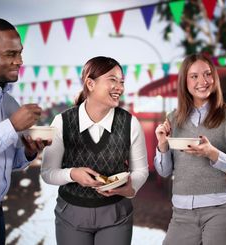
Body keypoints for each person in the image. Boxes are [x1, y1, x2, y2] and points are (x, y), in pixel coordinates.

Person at [41, 56, 149, 245]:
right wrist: (73, 174)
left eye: (121, 82)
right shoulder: (62, 122)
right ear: (90, 84)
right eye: (112, 80)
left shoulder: (130, 123)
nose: (120, 88)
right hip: (71, 216)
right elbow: (47, 173)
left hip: (116, 214)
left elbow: (141, 170)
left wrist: (130, 188)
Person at [154, 53, 226, 245]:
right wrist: (162, 145)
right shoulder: (173, 119)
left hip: (221, 210)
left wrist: (213, 154)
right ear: (185, 82)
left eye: (207, 74)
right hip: (181, 213)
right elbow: (164, 172)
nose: (203, 81)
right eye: (194, 76)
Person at [0, 18, 48, 244]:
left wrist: (29, 153)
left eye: (20, 53)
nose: (19, 61)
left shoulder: (9, 102)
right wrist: (11, 126)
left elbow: (6, 161)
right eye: (10, 54)